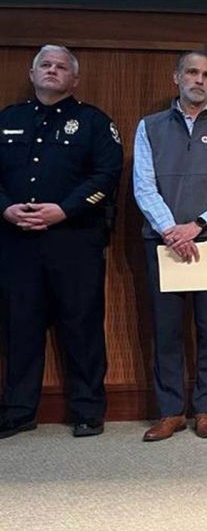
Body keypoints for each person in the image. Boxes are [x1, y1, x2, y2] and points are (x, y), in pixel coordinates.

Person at [0, 46, 123, 440]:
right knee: (19, 326)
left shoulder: (94, 122)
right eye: (46, 65)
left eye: (62, 67)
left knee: (82, 325)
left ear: (75, 79)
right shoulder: (8, 119)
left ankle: (88, 410)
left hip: (74, 241)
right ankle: (18, 410)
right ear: (32, 73)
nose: (53, 71)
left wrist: (65, 210)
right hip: (16, 241)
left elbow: (107, 175)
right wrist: (5, 208)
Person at [134, 49, 207, 441]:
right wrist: (171, 229)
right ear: (177, 77)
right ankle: (170, 412)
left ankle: (205, 409)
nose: (199, 80)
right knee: (166, 329)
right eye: (192, 72)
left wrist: (197, 226)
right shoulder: (149, 127)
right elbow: (143, 185)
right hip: (164, 242)